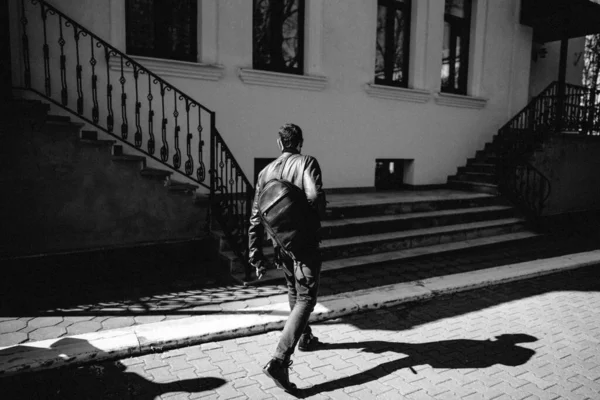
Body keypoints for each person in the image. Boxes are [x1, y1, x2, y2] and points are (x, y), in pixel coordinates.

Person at [248, 123, 326, 392]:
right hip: (303, 242)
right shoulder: (306, 162)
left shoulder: (264, 172)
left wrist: (255, 252)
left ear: (279, 143)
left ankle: (305, 337)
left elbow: (256, 217)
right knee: (307, 298)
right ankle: (279, 360)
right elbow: (315, 196)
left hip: (281, 245)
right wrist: (314, 219)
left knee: (294, 289)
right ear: (299, 143)